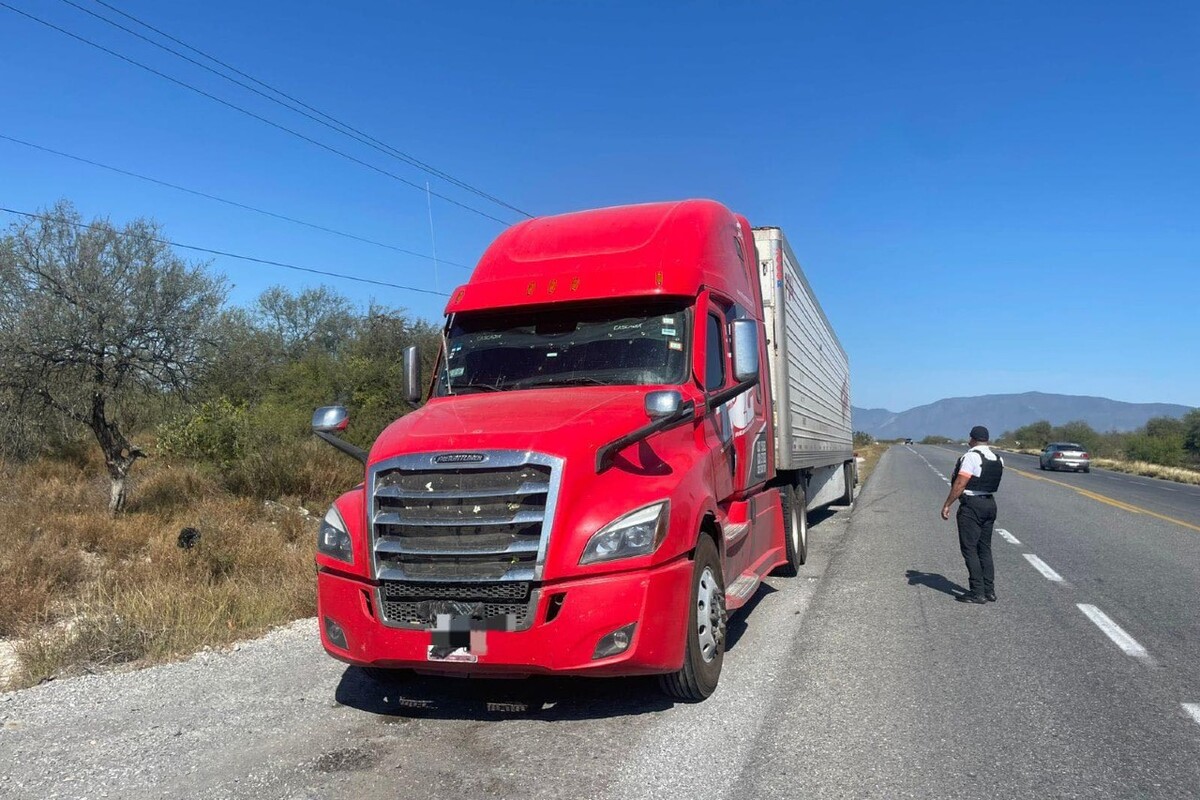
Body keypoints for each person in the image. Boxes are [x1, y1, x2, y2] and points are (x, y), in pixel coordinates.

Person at [941, 425, 1004, 604]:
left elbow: (960, 483)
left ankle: (977, 592)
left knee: (969, 549)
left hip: (972, 505)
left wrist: (947, 504)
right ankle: (989, 590)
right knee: (984, 548)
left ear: (972, 439)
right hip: (990, 503)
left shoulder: (971, 457)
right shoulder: (998, 458)